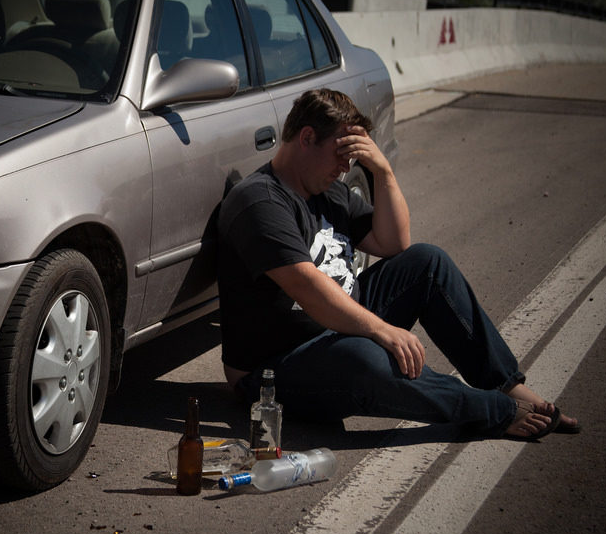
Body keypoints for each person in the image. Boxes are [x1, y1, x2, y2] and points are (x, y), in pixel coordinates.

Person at [217, 88, 579, 439]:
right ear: (307, 137)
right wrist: (381, 330)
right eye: (341, 153)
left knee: (427, 261)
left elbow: (394, 244)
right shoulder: (260, 201)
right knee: (363, 356)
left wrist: (383, 172)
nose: (345, 168)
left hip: (336, 329)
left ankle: (506, 386)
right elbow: (306, 287)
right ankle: (493, 411)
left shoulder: (329, 191)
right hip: (274, 368)